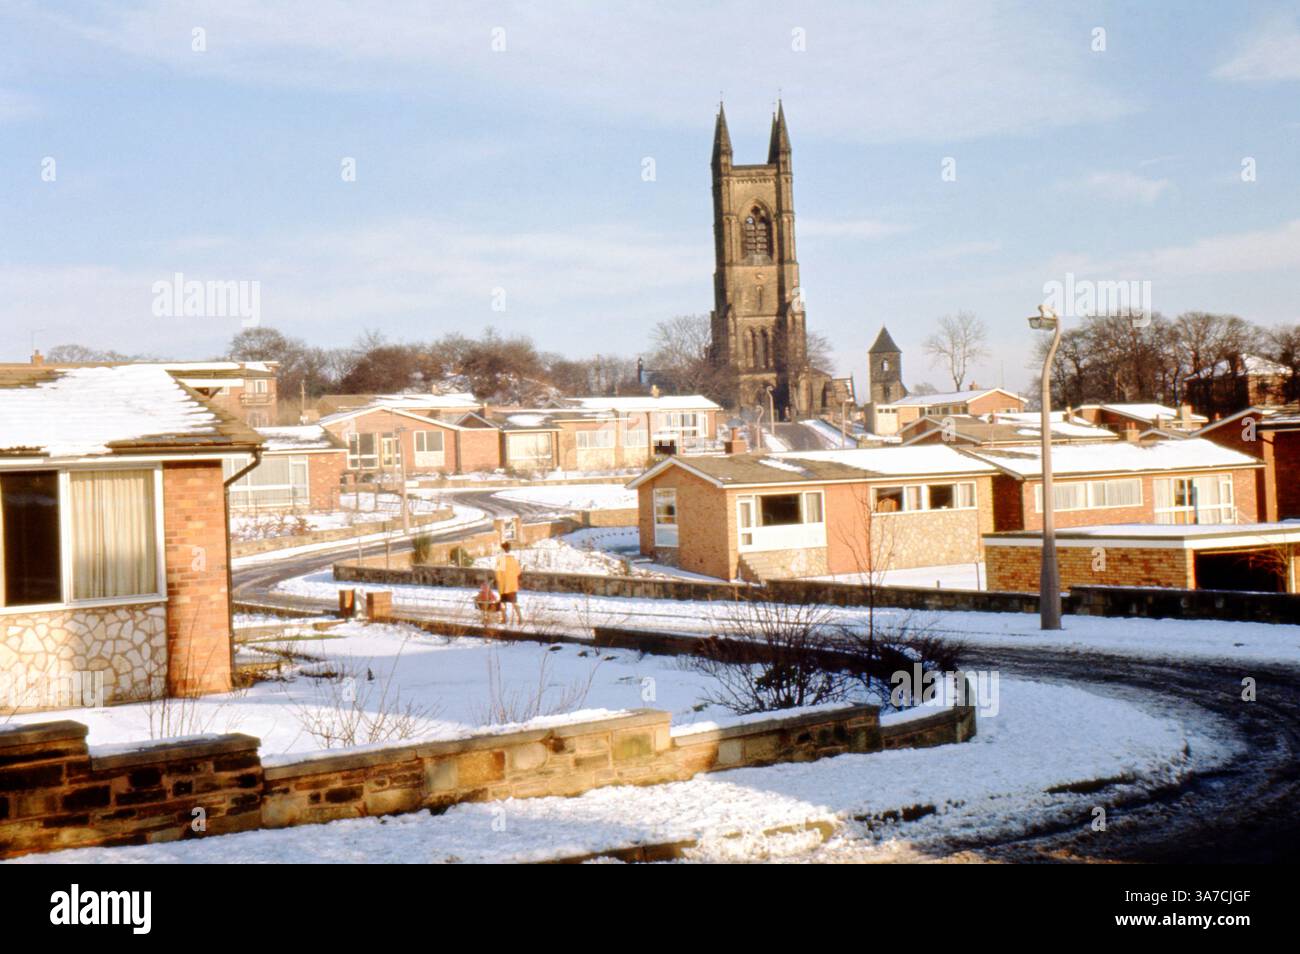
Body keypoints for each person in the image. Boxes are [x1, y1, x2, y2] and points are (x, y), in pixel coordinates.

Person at [494, 541, 524, 625]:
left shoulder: (501, 559)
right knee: (514, 602)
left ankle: (504, 618)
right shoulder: (514, 559)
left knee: (503, 602)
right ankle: (520, 618)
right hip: (513, 585)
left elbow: (498, 573)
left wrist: (498, 581)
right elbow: (518, 572)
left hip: (504, 585)